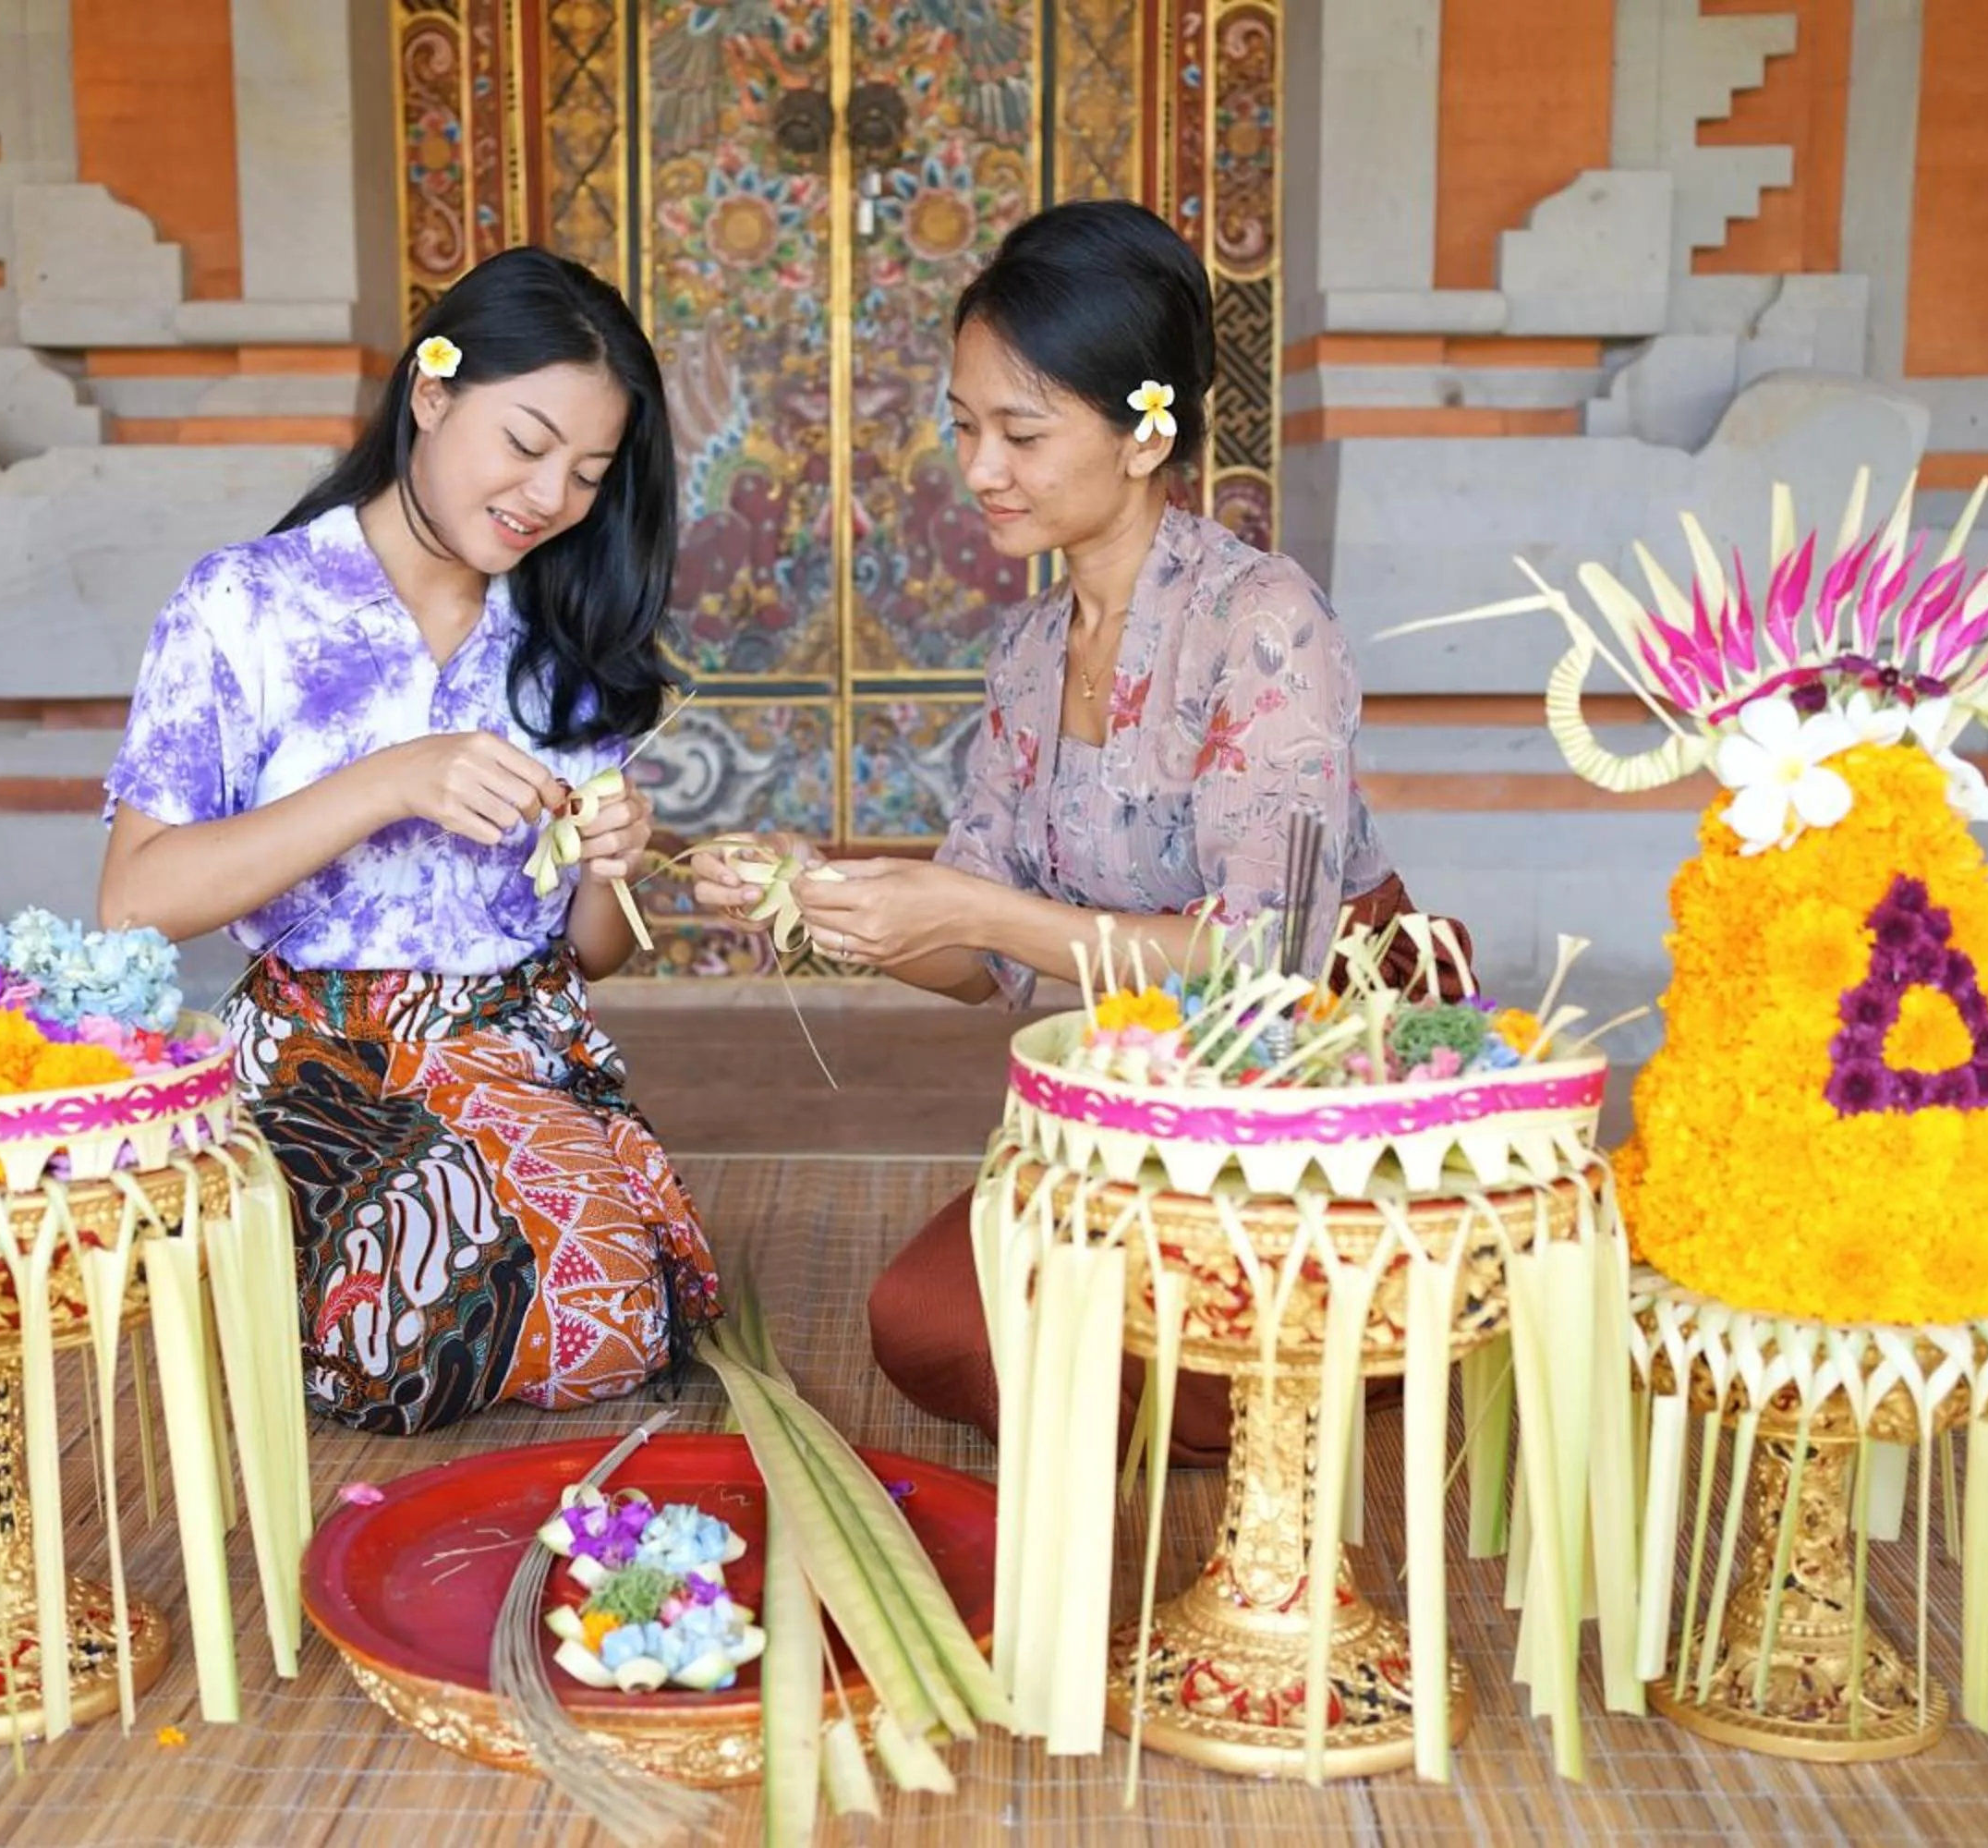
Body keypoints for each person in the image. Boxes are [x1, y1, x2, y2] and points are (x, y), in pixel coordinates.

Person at [692, 201, 1464, 1462]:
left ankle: (1370, 1303)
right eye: (963, 426)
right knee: (929, 1324)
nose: (979, 469)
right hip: (1144, 1089)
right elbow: (976, 958)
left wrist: (976, 910)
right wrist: (816, 896)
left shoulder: (1262, 618)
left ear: (1147, 432)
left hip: (1317, 1085)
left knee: (1037, 1343)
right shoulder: (1028, 649)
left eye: (1022, 432)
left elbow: (1264, 966)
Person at [98, 248, 719, 1435]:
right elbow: (134, 900)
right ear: (431, 392)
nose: (551, 497)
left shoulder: (562, 630)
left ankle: (351, 1253)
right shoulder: (245, 604)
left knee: (622, 1323)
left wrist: (613, 861)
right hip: (318, 1056)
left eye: (588, 474)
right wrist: (387, 781)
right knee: (416, 1329)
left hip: (513, 1042)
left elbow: (594, 952)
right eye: (526, 443)